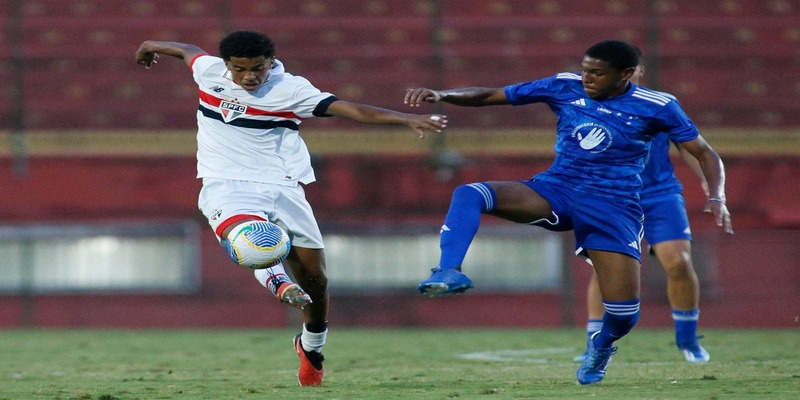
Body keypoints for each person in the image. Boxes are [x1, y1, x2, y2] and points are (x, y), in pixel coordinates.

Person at [404, 40, 733, 385]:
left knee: (623, 315)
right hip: (558, 189)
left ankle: (602, 344)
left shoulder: (659, 105)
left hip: (613, 206)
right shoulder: (564, 86)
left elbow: (705, 152)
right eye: (585, 69)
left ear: (626, 74)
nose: (586, 77)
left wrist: (717, 196)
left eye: (597, 72)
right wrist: (441, 95)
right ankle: (448, 270)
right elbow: (491, 95)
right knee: (472, 193)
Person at [135, 30, 447, 386]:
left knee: (316, 280)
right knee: (250, 238)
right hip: (226, 184)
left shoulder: (291, 90)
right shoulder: (209, 72)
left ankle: (311, 347)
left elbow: (350, 108)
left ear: (271, 62)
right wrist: (150, 46)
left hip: (284, 186)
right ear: (227, 65)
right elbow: (188, 50)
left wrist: (402, 118)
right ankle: (279, 282)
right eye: (240, 69)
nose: (249, 76)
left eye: (257, 68)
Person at [575, 62, 719, 365]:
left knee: (679, 262)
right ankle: (594, 342)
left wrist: (707, 180)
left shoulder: (659, 105)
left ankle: (688, 339)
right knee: (604, 269)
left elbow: (690, 146)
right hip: (613, 196)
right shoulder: (590, 104)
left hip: (659, 194)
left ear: (635, 71)